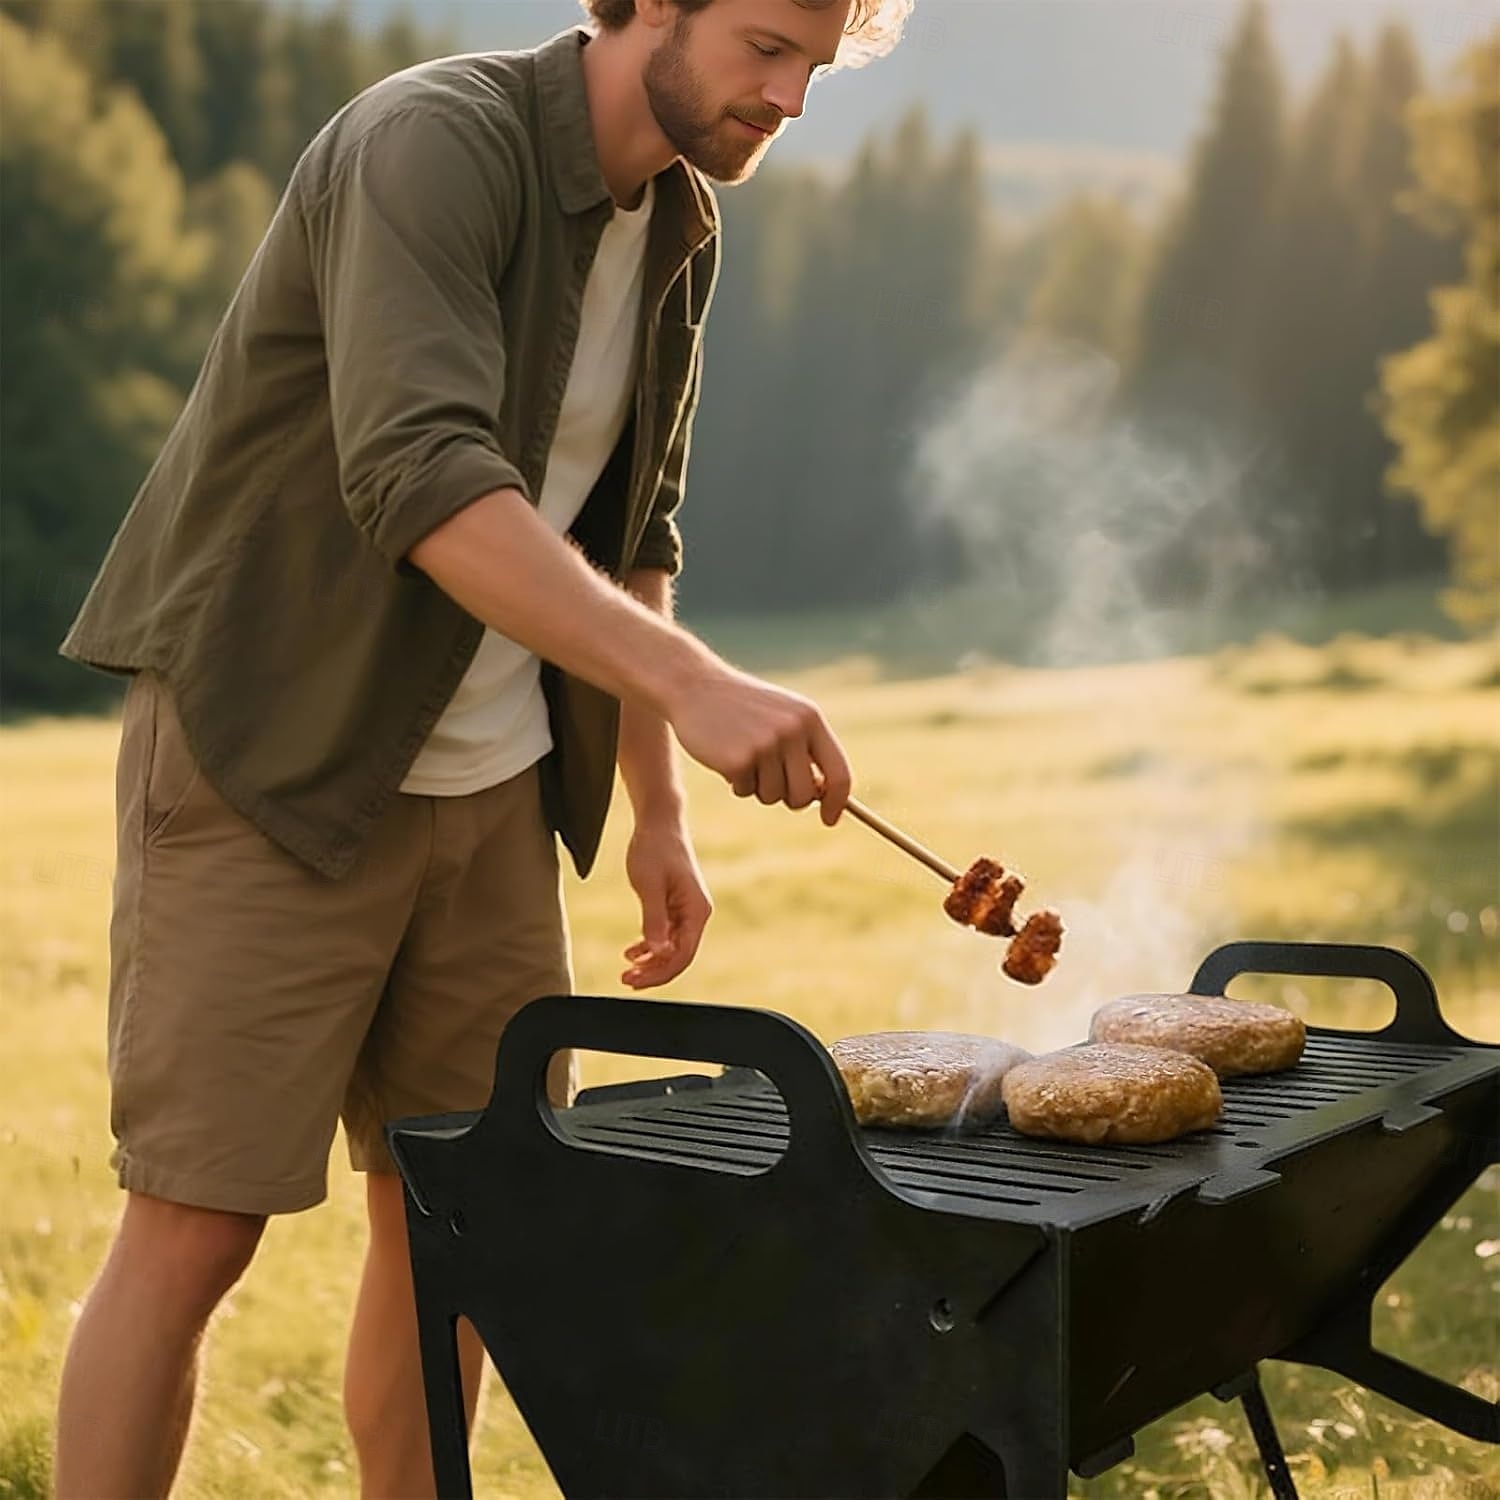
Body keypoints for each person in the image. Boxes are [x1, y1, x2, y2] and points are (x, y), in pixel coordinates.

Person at [51, 0, 912, 1493]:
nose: (788, 97)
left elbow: (633, 527)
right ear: (644, 3)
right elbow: (423, 476)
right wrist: (700, 689)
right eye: (765, 47)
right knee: (197, 1225)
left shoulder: (682, 223)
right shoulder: (431, 145)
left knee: (464, 1220)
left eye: (815, 66)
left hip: (496, 796)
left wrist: (655, 809)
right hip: (277, 755)